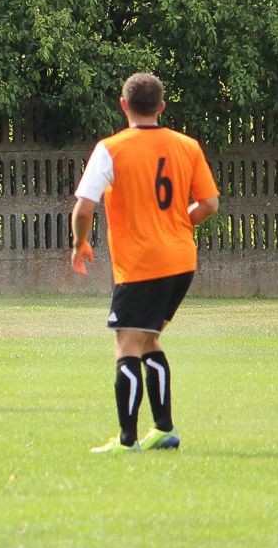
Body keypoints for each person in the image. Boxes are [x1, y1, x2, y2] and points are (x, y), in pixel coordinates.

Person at [70, 72, 220, 453]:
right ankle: (164, 429)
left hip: (142, 264)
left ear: (123, 105)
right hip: (181, 260)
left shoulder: (111, 148)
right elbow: (209, 205)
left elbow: (84, 206)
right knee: (150, 339)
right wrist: (176, 223)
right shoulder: (187, 146)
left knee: (127, 345)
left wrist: (79, 242)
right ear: (161, 107)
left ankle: (126, 440)